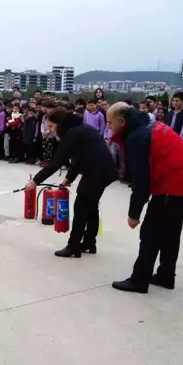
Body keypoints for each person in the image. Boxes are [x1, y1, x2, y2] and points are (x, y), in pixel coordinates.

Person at [106, 102, 183, 293]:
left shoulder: (139, 136)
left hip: (172, 186)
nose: (109, 127)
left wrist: (134, 214)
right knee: (170, 234)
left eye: (110, 123)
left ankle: (139, 281)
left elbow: (141, 181)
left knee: (150, 234)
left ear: (122, 121)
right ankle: (166, 276)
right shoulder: (150, 125)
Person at [25, 109, 118, 257]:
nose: (50, 130)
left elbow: (57, 162)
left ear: (60, 124)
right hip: (104, 170)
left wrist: (35, 181)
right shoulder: (79, 129)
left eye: (51, 126)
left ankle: (73, 246)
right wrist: (70, 177)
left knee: (81, 206)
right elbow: (80, 157)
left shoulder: (71, 134)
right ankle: (89, 242)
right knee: (91, 205)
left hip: (97, 171)